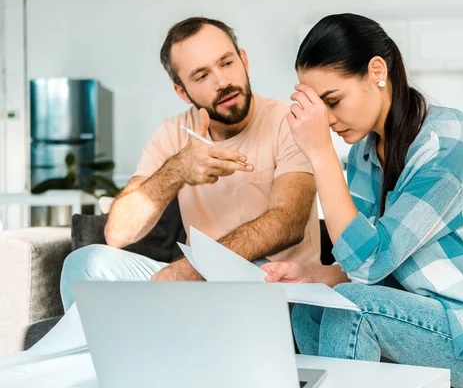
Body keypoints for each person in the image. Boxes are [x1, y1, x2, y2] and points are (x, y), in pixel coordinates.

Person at [261, 13, 463, 388]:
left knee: (354, 308)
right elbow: (370, 260)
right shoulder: (364, 153)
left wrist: (320, 154)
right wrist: (315, 276)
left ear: (377, 71)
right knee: (312, 306)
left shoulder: (449, 144)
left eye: (333, 101)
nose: (326, 121)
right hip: (445, 322)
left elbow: (369, 265)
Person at [59, 17, 320, 311]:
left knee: (258, 268)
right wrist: (178, 169)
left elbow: (289, 222)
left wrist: (193, 270)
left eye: (226, 63)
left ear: (243, 60)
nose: (223, 82)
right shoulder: (172, 134)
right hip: (199, 287)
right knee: (85, 264)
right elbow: (118, 233)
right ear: (182, 92)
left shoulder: (289, 121)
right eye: (201, 76)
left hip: (270, 283)